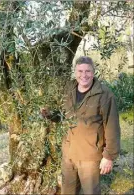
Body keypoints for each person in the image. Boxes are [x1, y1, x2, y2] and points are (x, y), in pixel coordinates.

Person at [41, 56, 121, 195]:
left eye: (88, 71)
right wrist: (49, 115)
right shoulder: (68, 90)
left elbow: (112, 127)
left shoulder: (104, 95)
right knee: (67, 192)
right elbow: (63, 117)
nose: (84, 75)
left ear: (93, 72)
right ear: (75, 72)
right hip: (68, 155)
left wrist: (108, 157)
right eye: (80, 71)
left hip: (90, 156)